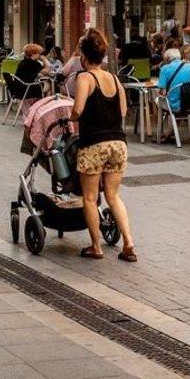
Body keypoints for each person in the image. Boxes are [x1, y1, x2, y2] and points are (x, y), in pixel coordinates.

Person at [71, 29, 136, 263]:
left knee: (89, 198)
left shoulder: (84, 78)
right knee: (113, 195)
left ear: (84, 56)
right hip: (118, 143)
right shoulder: (115, 79)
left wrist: (71, 117)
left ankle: (96, 245)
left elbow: (77, 110)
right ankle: (128, 241)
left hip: (93, 144)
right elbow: (123, 111)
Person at [157, 48, 190, 113]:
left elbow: (163, 93)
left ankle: (162, 122)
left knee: (157, 100)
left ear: (167, 59)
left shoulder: (164, 69)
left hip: (174, 106)